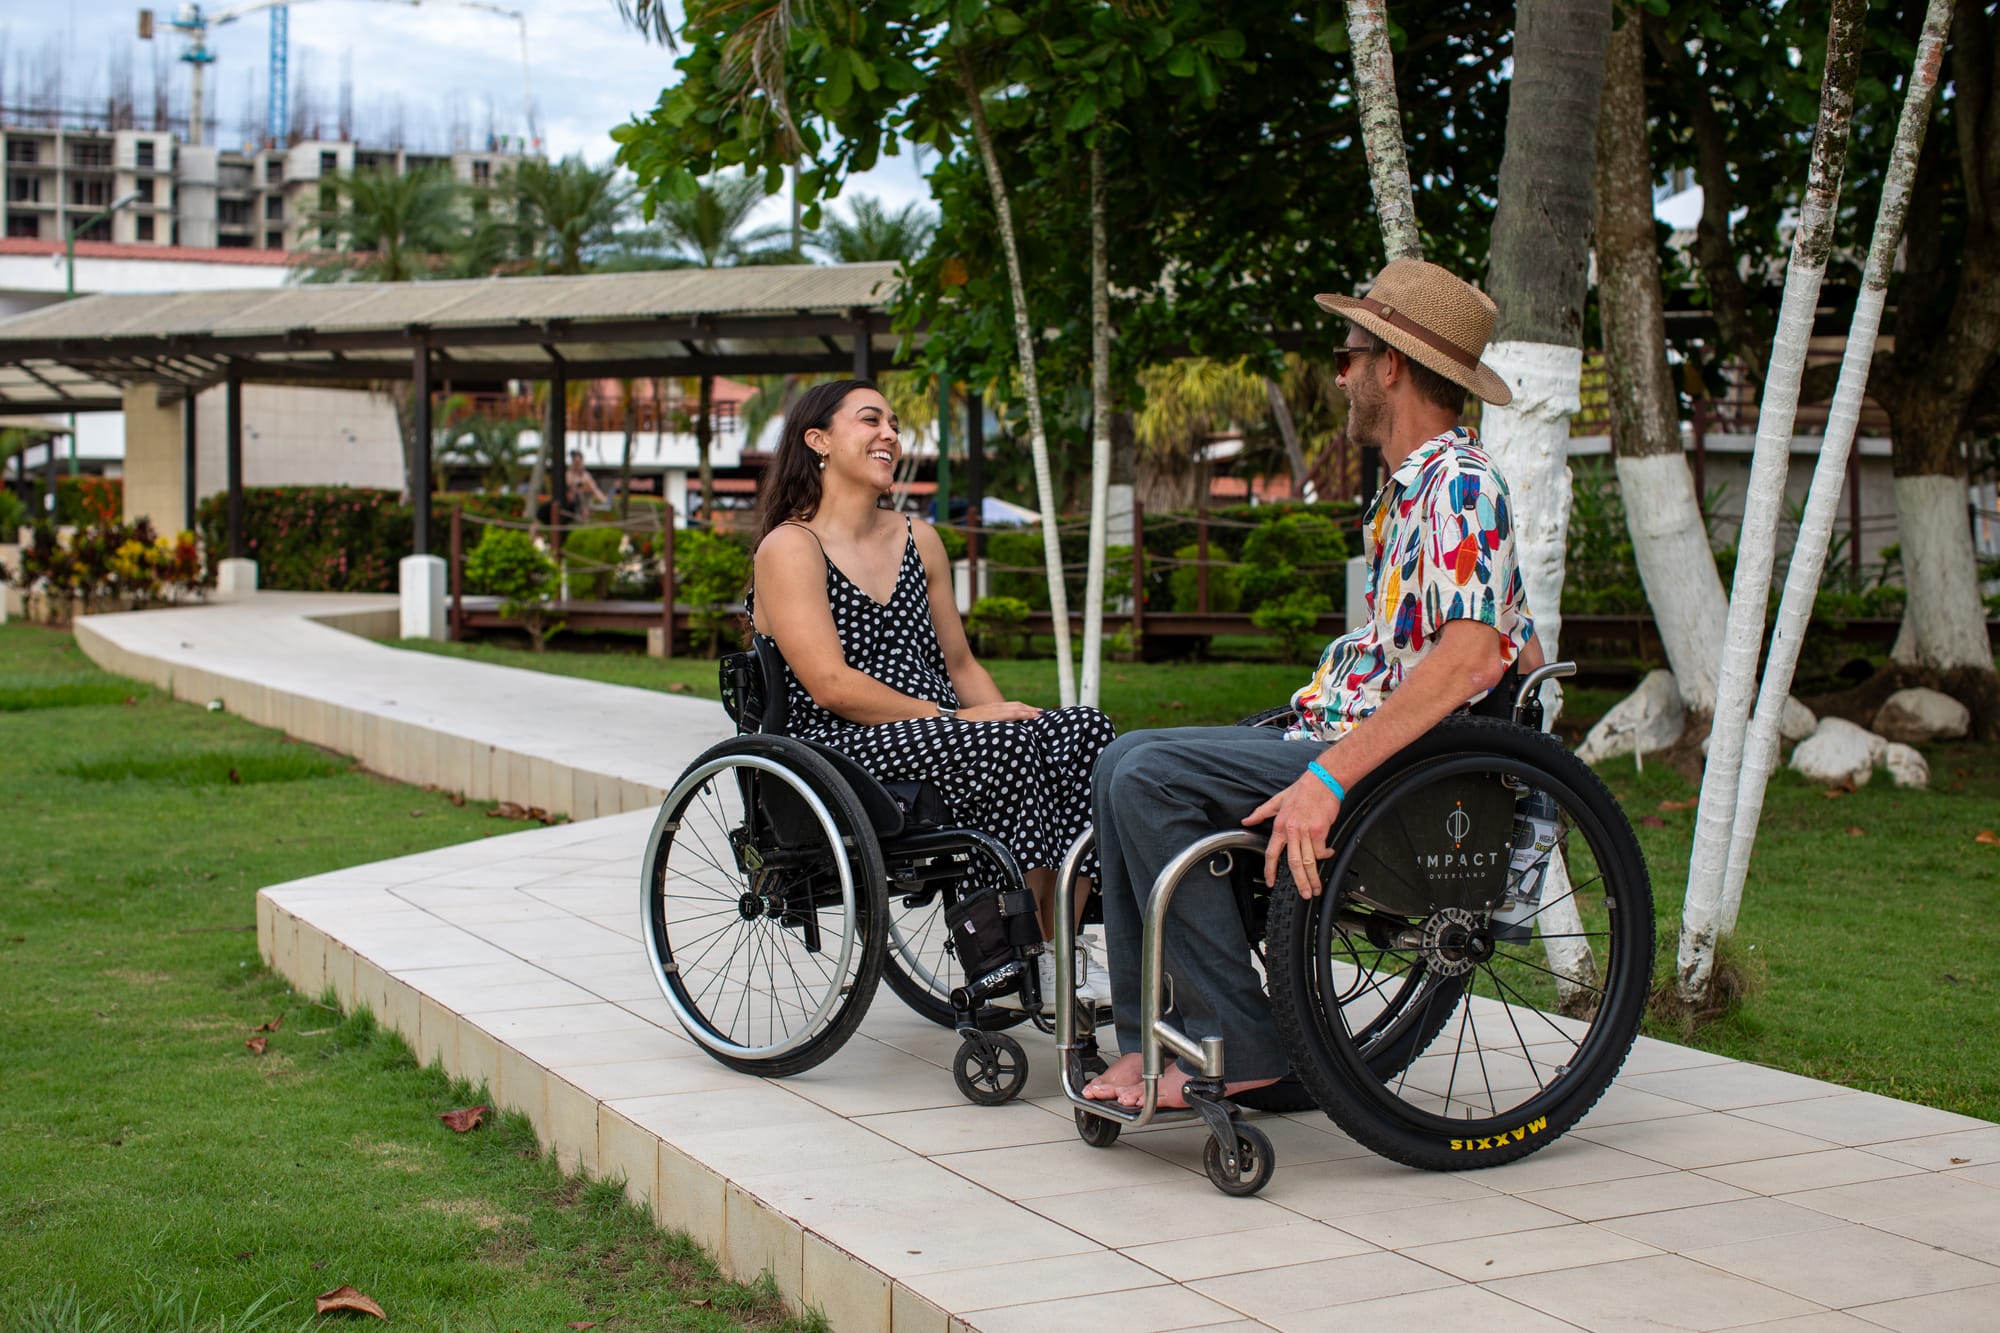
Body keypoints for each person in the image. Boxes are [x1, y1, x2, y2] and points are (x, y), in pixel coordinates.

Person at [1082, 259, 1544, 1108]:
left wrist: (1330, 776)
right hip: (1335, 732)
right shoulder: (1416, 492)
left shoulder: (1462, 486)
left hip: (1382, 768)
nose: (1341, 373)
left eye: (1350, 353)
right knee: (1120, 762)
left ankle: (1241, 1043)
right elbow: (1514, 639)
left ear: (1391, 367)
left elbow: (1475, 656)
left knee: (1143, 775)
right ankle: (1157, 1036)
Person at [748, 378, 1117, 1004]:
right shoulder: (791, 546)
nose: (889, 433)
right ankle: (1007, 941)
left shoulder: (920, 539)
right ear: (819, 441)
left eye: (893, 422)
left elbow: (959, 660)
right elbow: (831, 686)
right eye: (870, 421)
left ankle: (1057, 945)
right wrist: (965, 721)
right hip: (842, 745)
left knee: (1086, 731)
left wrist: (1010, 716)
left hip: (937, 729)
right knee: (994, 744)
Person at [565, 450, 607, 520]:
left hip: (586, 500)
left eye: (580, 462)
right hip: (573, 502)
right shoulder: (568, 474)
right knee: (580, 493)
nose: (578, 465)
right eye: (576, 462)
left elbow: (594, 489)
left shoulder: (586, 475)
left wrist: (604, 500)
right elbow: (571, 487)